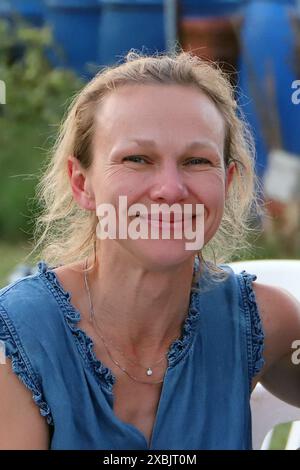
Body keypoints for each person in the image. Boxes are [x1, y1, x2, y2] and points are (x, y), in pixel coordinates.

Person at [0, 50, 299, 450]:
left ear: (226, 183)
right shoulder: (19, 340)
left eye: (196, 160)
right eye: (137, 159)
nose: (172, 190)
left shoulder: (263, 323)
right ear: (81, 182)